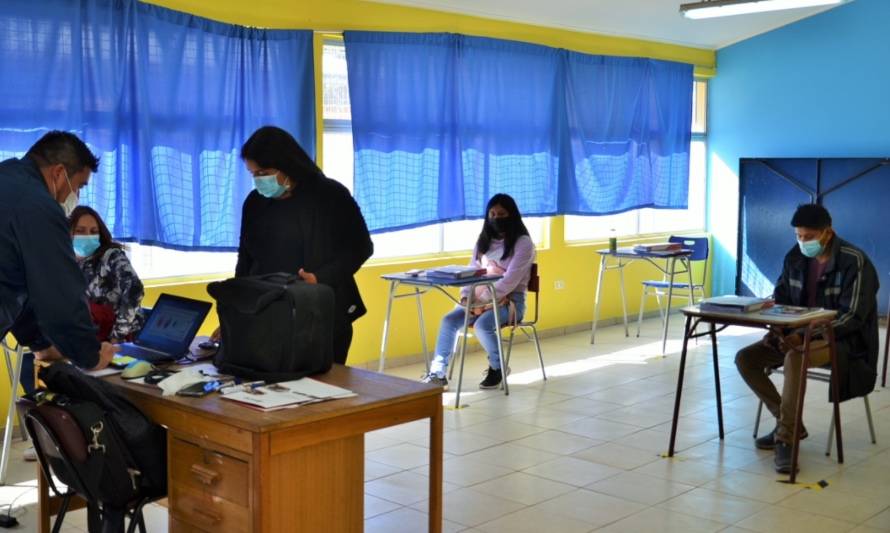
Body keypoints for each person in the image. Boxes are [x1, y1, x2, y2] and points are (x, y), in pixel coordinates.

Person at [734, 204, 878, 473]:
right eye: (798, 236)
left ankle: (786, 441)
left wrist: (805, 335)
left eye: (809, 237)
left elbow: (853, 317)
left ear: (828, 233)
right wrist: (777, 330)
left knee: (794, 357)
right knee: (746, 359)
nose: (803, 242)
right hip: (797, 336)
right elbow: (782, 299)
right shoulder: (795, 258)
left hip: (843, 342)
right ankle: (791, 424)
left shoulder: (854, 261)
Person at [230, 125, 373, 364]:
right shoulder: (255, 203)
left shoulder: (330, 195)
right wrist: (234, 311)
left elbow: (360, 247)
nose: (258, 180)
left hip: (322, 312)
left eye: (263, 172)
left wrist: (320, 277)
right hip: (268, 315)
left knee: (323, 391)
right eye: (253, 173)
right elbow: (245, 259)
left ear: (287, 165)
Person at [0, 131, 116, 373]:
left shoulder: (7, 180)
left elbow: (15, 280)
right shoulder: (38, 207)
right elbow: (59, 292)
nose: (78, 196)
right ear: (59, 173)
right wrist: (89, 356)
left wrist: (40, 342)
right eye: (79, 186)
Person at [421, 194, 536, 390]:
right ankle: (438, 373)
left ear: (512, 215)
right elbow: (470, 271)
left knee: (483, 325)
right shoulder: (483, 241)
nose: (496, 218)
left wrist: (480, 302)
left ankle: (497, 367)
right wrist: (466, 296)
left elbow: (509, 281)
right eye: (492, 214)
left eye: (501, 214)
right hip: (476, 298)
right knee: (448, 321)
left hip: (510, 302)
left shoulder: (523, 243)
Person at [70, 205, 145, 343]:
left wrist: (117, 337)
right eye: (80, 231)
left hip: (120, 340)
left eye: (93, 231)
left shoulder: (111, 256)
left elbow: (135, 289)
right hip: (87, 340)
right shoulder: (67, 263)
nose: (87, 236)